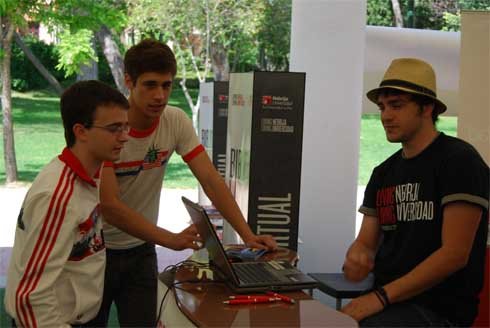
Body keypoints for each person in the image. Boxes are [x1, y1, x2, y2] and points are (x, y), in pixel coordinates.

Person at [93, 39, 277, 327]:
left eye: (166, 85)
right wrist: (170, 239)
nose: (160, 96)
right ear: (128, 81)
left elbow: (211, 181)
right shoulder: (110, 127)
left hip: (141, 251)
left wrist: (247, 235)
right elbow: (110, 206)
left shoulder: (175, 121)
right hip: (95, 251)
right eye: (150, 85)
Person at [341, 58, 489, 327]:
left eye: (397, 105)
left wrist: (381, 297)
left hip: (440, 311)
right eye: (383, 107)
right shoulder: (383, 173)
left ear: (427, 107)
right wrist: (358, 255)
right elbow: (366, 242)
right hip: (390, 302)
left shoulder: (459, 161)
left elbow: (454, 254)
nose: (386, 115)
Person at [4, 80, 130, 327]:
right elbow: (28, 298)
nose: (124, 137)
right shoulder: (58, 197)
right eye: (114, 128)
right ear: (81, 131)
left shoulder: (90, 175)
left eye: (126, 127)